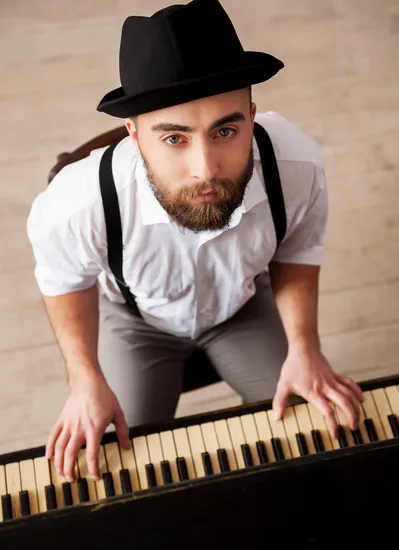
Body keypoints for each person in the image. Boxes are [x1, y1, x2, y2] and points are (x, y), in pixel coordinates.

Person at [27, 0, 364, 483]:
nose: (206, 168)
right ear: (134, 135)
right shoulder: (77, 203)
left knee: (321, 436)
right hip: (137, 322)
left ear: (251, 116)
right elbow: (63, 280)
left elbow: (297, 250)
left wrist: (305, 346)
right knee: (115, 468)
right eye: (174, 138)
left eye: (226, 130)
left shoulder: (296, 167)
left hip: (243, 308)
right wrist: (84, 381)